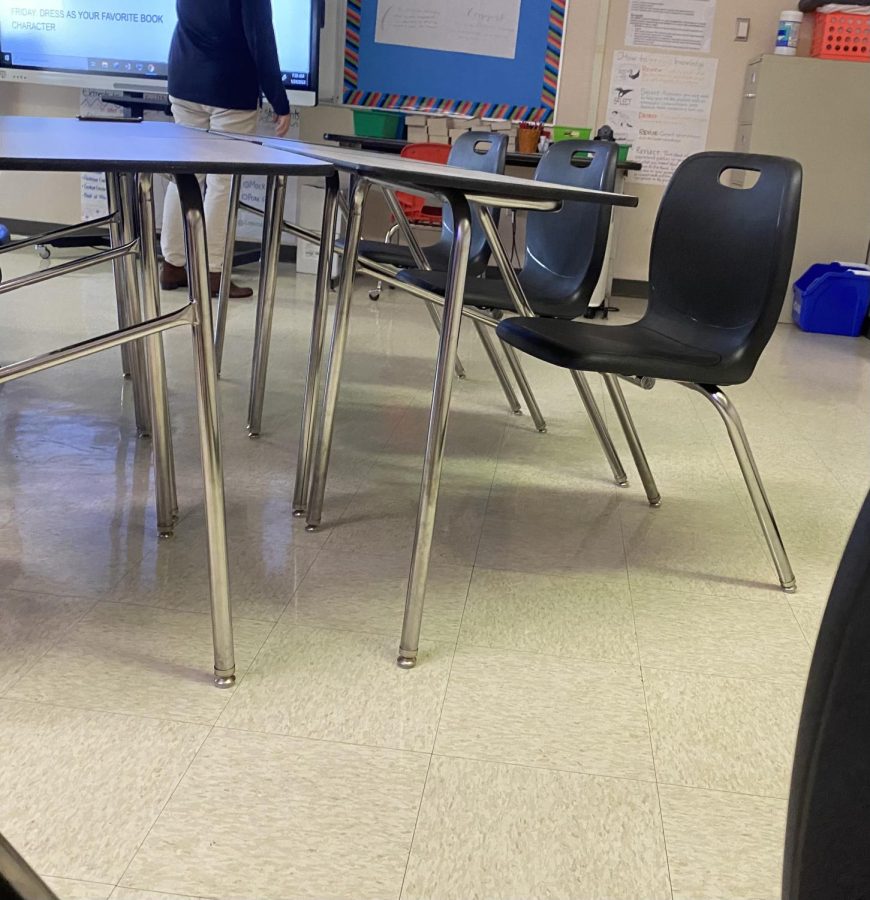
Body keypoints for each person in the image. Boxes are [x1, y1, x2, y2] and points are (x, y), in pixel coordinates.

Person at [160, 0, 292, 299]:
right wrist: (278, 98)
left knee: (184, 174)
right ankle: (214, 272)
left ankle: (173, 264)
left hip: (184, 78)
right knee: (222, 182)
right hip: (229, 86)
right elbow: (260, 36)